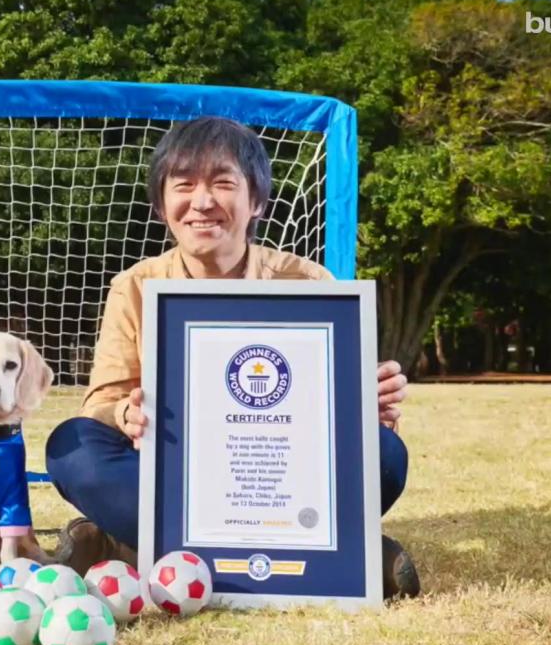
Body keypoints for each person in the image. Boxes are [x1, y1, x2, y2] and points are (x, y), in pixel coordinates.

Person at [45, 116, 420, 599]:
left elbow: (345, 418)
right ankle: (359, 555)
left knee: (385, 455)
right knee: (73, 447)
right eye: (184, 186)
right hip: (174, 475)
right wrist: (127, 413)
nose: (202, 202)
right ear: (162, 205)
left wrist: (368, 403)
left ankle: (126, 547)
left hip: (276, 477)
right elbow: (99, 404)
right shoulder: (135, 287)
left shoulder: (308, 283)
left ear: (256, 201)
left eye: (223, 183)